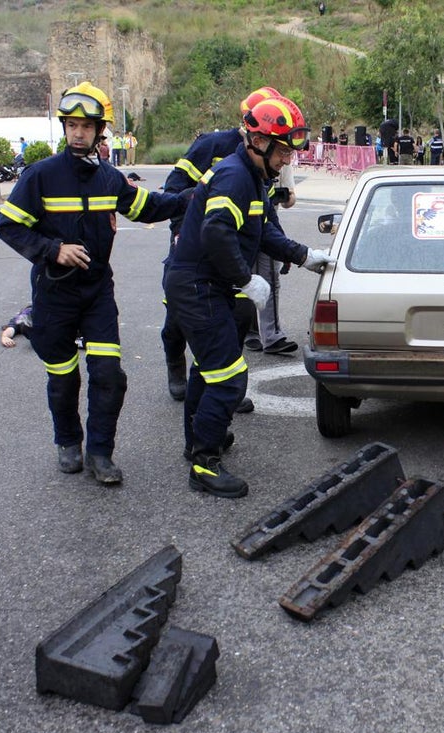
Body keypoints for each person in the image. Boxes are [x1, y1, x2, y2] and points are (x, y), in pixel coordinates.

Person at [0, 81, 190, 484]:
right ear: (64, 128)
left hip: (97, 291)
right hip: (54, 292)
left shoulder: (108, 178)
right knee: (63, 377)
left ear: (100, 131)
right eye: (72, 126)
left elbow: (148, 206)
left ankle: (100, 453)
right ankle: (68, 442)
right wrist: (53, 249)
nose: (78, 133)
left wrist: (195, 196)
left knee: (109, 375)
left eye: (86, 126)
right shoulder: (41, 176)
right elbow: (8, 226)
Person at [165, 95, 333, 499]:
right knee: (229, 377)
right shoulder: (235, 177)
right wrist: (245, 279)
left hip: (204, 283)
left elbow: (264, 231)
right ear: (259, 142)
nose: (288, 159)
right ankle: (204, 464)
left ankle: (198, 441)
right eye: (283, 150)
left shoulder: (253, 176)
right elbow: (216, 231)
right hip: (199, 286)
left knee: (207, 369)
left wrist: (304, 255)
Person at [159, 86, 282, 403]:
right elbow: (174, 188)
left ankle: (225, 381)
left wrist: (281, 246)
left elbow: (265, 209)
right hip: (195, 245)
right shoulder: (212, 145)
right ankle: (176, 365)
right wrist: (181, 228)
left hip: (235, 252)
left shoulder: (265, 160)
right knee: (177, 317)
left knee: (237, 316)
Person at [244, 159, 300, 355]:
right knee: (244, 279)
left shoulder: (283, 162)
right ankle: (249, 331)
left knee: (271, 280)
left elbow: (290, 199)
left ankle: (272, 336)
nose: (285, 158)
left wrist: (284, 197)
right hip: (243, 228)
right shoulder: (242, 165)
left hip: (267, 225)